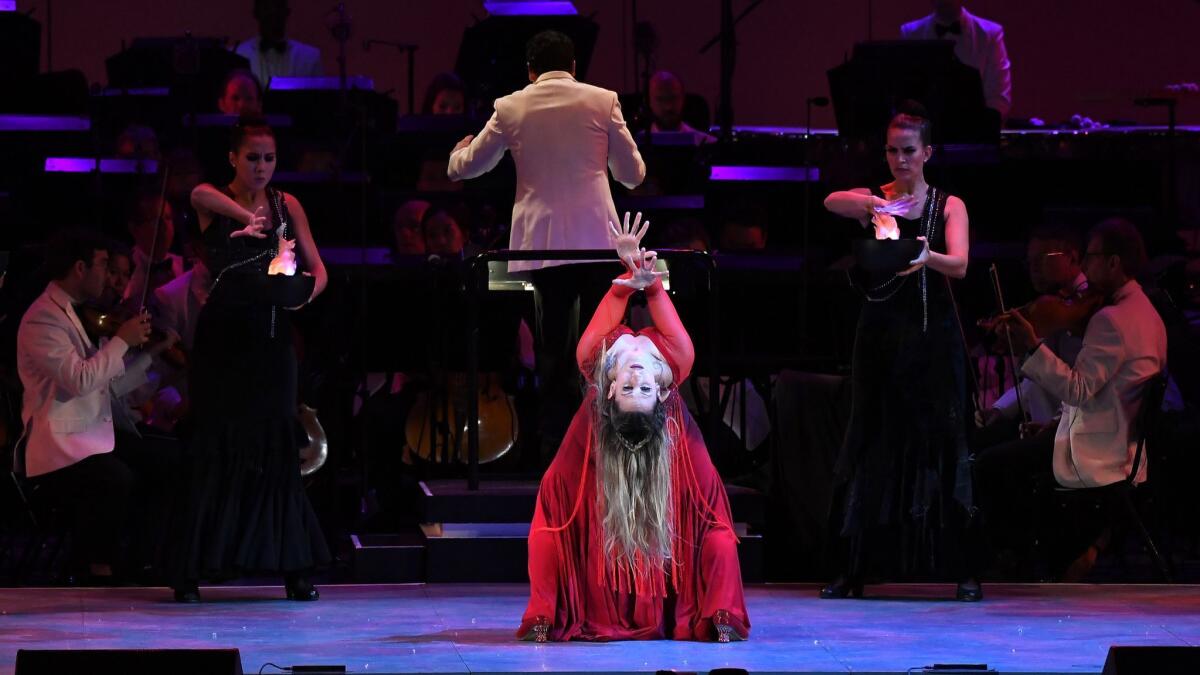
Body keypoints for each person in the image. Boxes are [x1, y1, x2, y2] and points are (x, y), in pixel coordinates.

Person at [519, 214, 749, 643]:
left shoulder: (593, 361)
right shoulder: (676, 362)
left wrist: (628, 275)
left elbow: (618, 297)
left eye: (631, 386)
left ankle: (715, 611)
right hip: (649, 437)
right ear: (663, 393)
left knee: (707, 518)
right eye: (642, 386)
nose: (638, 374)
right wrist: (645, 277)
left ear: (608, 392)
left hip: (617, 436)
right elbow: (655, 293)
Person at [447, 30, 645, 461]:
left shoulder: (511, 105)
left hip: (542, 244)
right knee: (604, 349)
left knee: (553, 353)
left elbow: (469, 166)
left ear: (530, 71)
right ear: (574, 67)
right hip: (598, 242)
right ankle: (608, 452)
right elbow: (633, 174)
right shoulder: (602, 99)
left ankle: (557, 456)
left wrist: (456, 153)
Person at [822, 106, 979, 601]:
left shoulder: (948, 205)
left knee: (945, 443)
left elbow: (960, 265)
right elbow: (831, 200)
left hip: (932, 337)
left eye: (908, 150)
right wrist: (873, 204)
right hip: (880, 336)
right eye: (892, 150)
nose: (899, 159)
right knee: (870, 441)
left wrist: (924, 255)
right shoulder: (879, 201)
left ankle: (964, 570)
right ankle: (852, 569)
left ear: (927, 153)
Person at [170, 116, 330, 603]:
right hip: (223, 344)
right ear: (234, 158)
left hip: (273, 339)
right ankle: (194, 569)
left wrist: (300, 298)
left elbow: (319, 270)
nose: (261, 166)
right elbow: (198, 194)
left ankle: (293, 569)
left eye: (269, 158)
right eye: (253, 157)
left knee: (275, 447)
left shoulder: (288, 204)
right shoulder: (214, 201)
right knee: (217, 445)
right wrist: (247, 220)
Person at [15, 229, 157, 582]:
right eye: (104, 265)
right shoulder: (41, 318)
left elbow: (102, 384)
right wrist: (121, 341)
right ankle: (96, 566)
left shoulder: (70, 313)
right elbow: (78, 380)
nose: (109, 276)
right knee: (115, 478)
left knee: (165, 461)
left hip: (87, 434)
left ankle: (148, 560)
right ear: (80, 267)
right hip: (58, 447)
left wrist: (145, 351)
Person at [901, 1, 1012, 118]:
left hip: (974, 129)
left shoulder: (990, 34)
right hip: (925, 130)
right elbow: (908, 93)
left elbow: (998, 98)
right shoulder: (911, 33)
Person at [234, 0, 323, 85]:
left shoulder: (310, 58)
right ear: (256, 12)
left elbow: (318, 98)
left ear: (287, 12)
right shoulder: (238, 55)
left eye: (277, 6)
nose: (272, 12)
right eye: (267, 7)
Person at [122, 191, 184, 309]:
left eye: (168, 218)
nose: (165, 227)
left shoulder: (186, 265)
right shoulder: (126, 268)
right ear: (134, 228)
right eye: (156, 220)